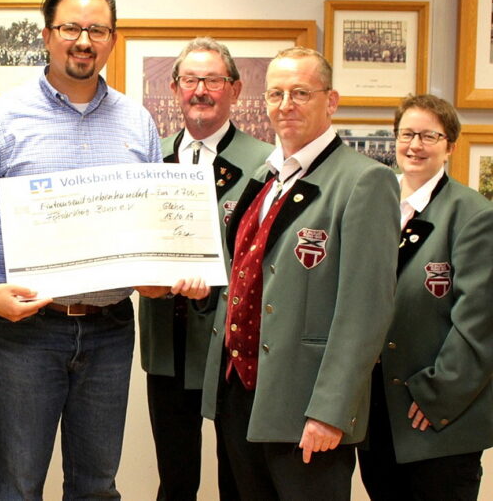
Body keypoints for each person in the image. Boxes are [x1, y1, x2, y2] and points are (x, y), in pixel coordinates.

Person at [0, 0, 206, 500]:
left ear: (112, 40)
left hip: (110, 330)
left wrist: (159, 275)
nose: (83, 41)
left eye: (97, 30)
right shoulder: (0, 118)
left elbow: (152, 222)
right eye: (70, 28)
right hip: (25, 333)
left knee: (96, 486)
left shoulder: (138, 122)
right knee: (17, 486)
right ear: (47, 35)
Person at [201, 47, 400, 500]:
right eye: (276, 93)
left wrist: (331, 410)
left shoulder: (364, 181)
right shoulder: (263, 177)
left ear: (331, 101)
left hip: (307, 405)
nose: (286, 104)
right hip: (241, 394)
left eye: (301, 93)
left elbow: (366, 311)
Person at [139, 37, 270, 501]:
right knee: (175, 478)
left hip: (233, 342)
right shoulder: (149, 158)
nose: (200, 90)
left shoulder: (264, 163)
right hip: (167, 339)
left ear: (235, 89)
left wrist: (215, 285)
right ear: (174, 88)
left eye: (213, 80)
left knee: (239, 477)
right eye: (190, 80)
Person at [357, 94, 493, 500]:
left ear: (450, 146)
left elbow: (481, 321)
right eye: (407, 134)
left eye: (429, 136)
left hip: (436, 416)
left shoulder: (473, 214)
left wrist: (437, 395)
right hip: (376, 409)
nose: (415, 145)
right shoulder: (376, 206)